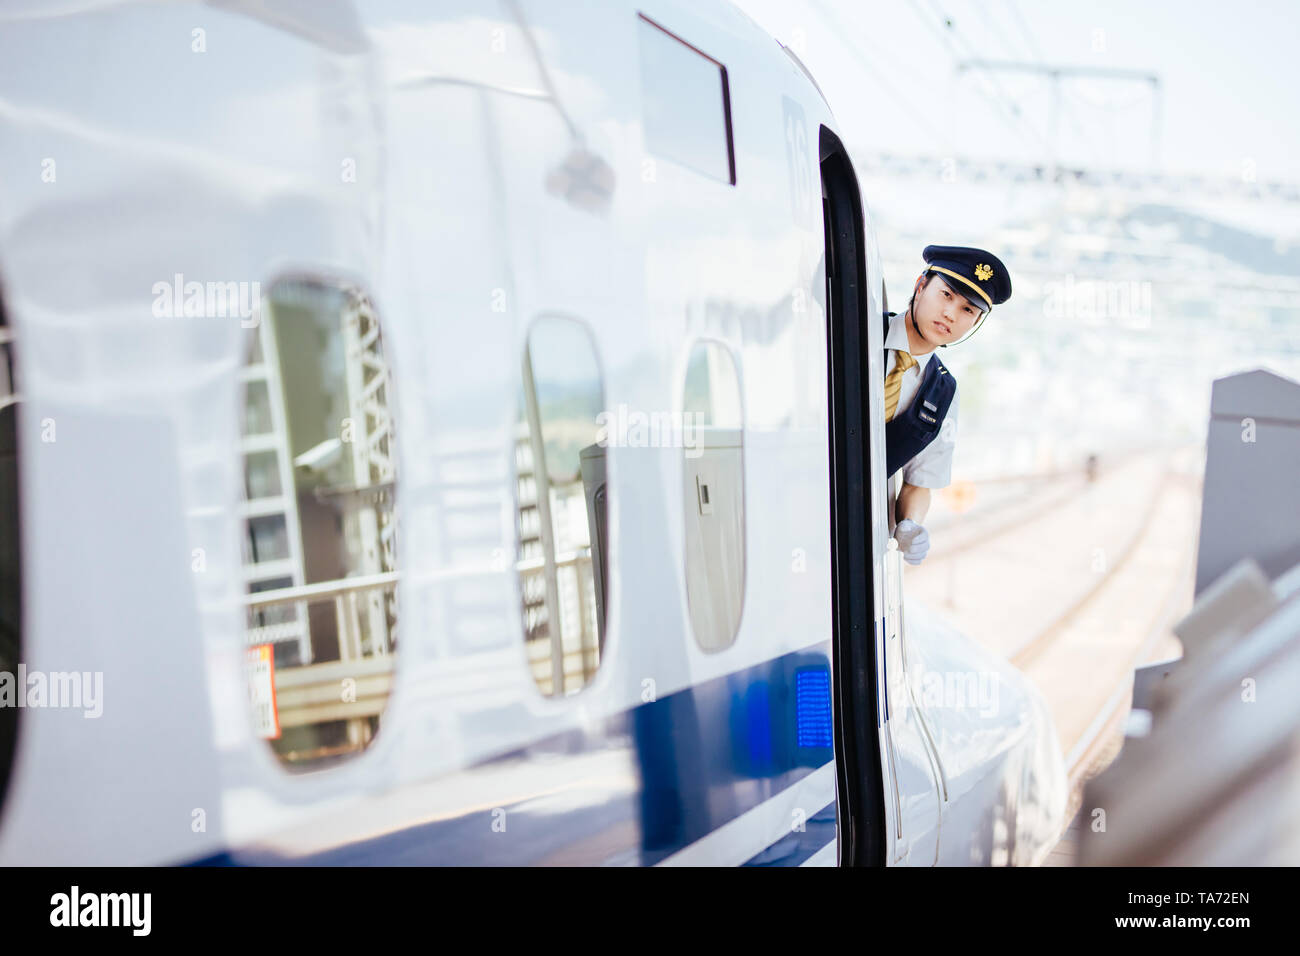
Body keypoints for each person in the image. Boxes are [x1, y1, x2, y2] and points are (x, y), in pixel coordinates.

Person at [885, 245, 1011, 565]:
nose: (951, 314)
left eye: (968, 310)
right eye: (946, 295)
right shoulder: (856, 331)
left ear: (976, 322)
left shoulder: (942, 393)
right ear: (920, 285)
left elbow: (918, 483)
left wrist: (910, 525)